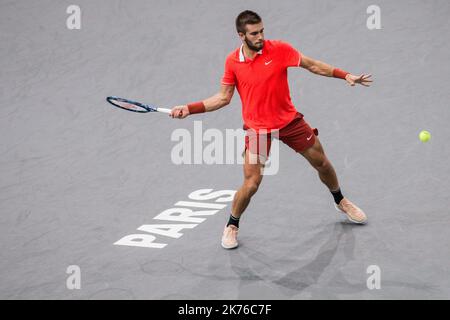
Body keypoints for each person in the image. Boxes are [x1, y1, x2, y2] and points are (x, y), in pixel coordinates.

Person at [170, 10, 372, 249]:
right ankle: (232, 225)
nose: (260, 37)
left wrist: (344, 75)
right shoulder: (232, 62)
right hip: (258, 130)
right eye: (254, 33)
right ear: (241, 36)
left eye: (262, 31)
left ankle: (340, 200)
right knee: (251, 183)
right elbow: (223, 98)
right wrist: (189, 108)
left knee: (323, 163)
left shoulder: (280, 50)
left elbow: (313, 65)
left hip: (289, 122)